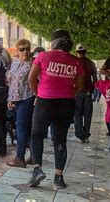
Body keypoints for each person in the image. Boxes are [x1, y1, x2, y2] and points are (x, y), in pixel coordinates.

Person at [27, 29, 84, 189]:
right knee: (60, 139)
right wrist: (68, 94)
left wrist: (39, 94)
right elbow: (80, 86)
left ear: (53, 42)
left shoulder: (43, 56)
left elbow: (31, 79)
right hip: (67, 103)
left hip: (45, 102)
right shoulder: (76, 61)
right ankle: (58, 178)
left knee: (37, 134)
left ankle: (37, 170)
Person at [5, 39, 35, 168]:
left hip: (28, 99)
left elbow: (37, 82)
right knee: (24, 128)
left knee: (21, 127)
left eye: (27, 49)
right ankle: (34, 155)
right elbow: (11, 81)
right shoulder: (15, 62)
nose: (25, 51)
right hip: (16, 100)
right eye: (22, 49)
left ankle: (20, 158)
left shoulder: (33, 64)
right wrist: (10, 98)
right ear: (17, 50)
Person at [73, 43, 98, 143]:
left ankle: (79, 134)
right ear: (85, 52)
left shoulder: (74, 62)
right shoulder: (91, 63)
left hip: (77, 92)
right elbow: (95, 79)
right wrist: (91, 88)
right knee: (88, 115)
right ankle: (86, 135)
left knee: (77, 114)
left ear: (77, 52)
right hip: (88, 92)